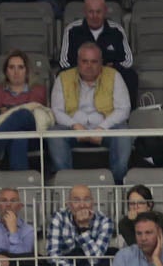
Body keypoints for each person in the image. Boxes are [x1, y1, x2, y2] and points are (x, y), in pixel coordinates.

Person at [47, 43, 131, 183]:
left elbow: (124, 109)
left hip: (105, 128)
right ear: (78, 61)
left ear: (101, 62)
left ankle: (117, 184)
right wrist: (75, 126)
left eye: (94, 62)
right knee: (54, 133)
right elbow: (57, 110)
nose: (89, 66)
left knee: (124, 132)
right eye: (84, 61)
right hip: (73, 129)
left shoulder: (114, 76)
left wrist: (102, 128)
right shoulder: (63, 77)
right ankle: (66, 183)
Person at [58, 0, 136, 96]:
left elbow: (128, 61)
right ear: (85, 11)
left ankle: (128, 110)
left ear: (105, 11)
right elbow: (64, 62)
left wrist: (109, 69)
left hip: (110, 74)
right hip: (79, 74)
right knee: (61, 76)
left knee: (131, 75)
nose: (94, 16)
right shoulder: (72, 29)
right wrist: (84, 70)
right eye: (91, 12)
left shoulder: (117, 30)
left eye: (98, 12)